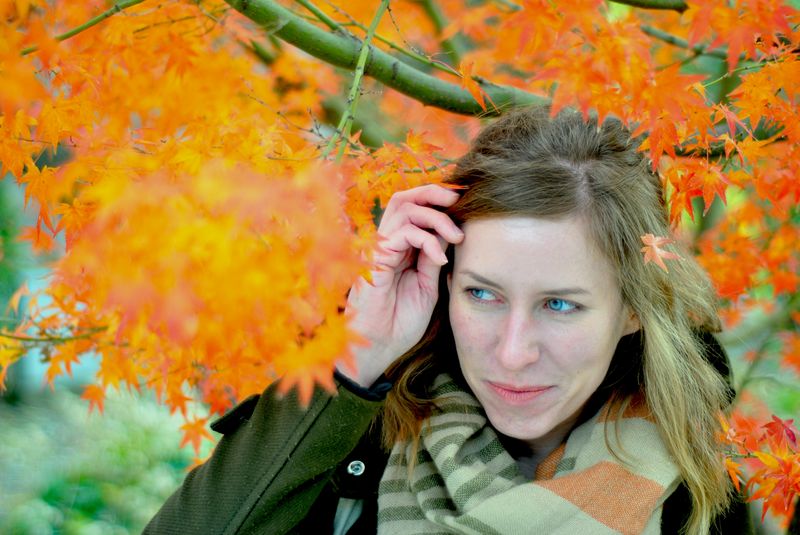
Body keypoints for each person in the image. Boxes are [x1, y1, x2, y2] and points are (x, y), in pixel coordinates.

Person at [144, 107, 754, 534]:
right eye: (482, 294)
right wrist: (358, 354)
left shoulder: (696, 490)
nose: (512, 352)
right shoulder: (357, 446)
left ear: (634, 310)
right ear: (444, 285)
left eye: (560, 304)